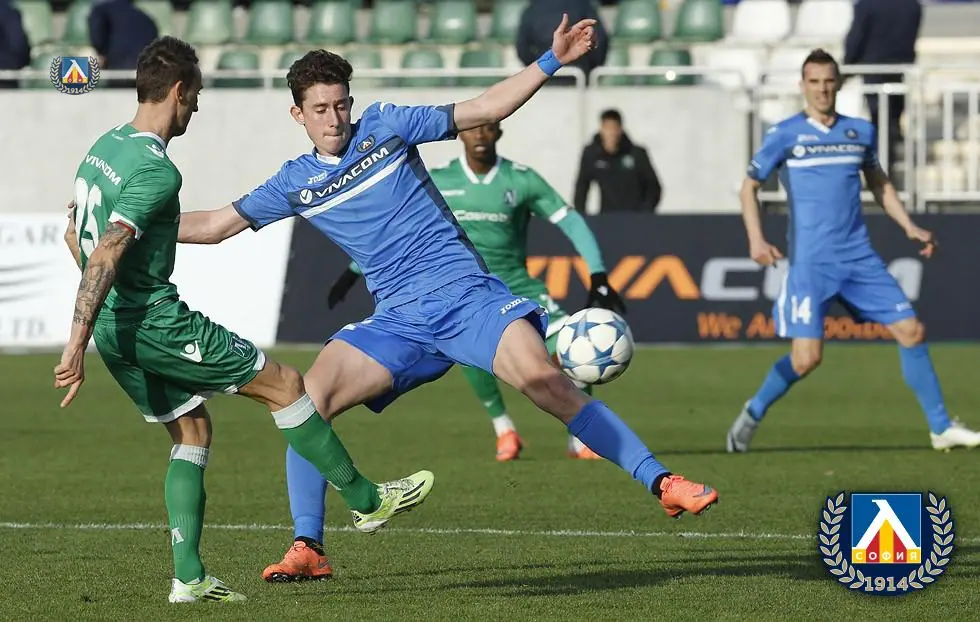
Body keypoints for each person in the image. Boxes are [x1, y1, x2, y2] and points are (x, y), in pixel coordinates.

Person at [175, 15, 719, 585]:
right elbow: (213, 226)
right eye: (320, 109)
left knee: (548, 385)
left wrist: (552, 61)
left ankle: (663, 482)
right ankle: (308, 546)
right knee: (305, 402)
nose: (334, 119)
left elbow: (482, 109)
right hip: (398, 321)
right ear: (298, 115)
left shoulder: (386, 125)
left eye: (341, 105)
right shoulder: (294, 182)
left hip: (468, 299)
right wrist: (134, 223)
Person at [54, 36, 435, 604]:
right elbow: (107, 250)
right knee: (285, 386)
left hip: (116, 328)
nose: (197, 107)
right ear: (178, 91)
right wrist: (74, 341)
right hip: (153, 322)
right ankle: (366, 500)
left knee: (192, 431)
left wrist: (94, 327)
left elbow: (76, 236)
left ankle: (189, 578)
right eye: (196, 95)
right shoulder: (157, 171)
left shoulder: (104, 147)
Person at [327, 121, 626, 465]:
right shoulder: (440, 179)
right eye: (473, 129)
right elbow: (399, 231)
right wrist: (352, 272)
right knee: (468, 352)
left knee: (573, 346)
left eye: (488, 129)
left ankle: (581, 437)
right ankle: (504, 429)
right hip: (466, 290)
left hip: (520, 288)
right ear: (460, 134)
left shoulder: (521, 179)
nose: (480, 135)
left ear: (499, 133)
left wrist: (598, 273)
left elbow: (569, 220)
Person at [727, 49, 980, 454]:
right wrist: (756, 240)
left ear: (840, 84)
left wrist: (909, 226)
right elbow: (748, 188)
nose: (822, 89)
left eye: (829, 81)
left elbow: (880, 183)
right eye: (814, 82)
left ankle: (940, 427)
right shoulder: (784, 134)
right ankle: (753, 412)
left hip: (859, 258)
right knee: (806, 359)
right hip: (810, 265)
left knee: (911, 331)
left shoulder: (859, 132)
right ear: (802, 86)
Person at [573, 109, 661, 213]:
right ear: (601, 129)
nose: (611, 133)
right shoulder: (592, 154)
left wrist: (645, 213)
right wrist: (581, 216)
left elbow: (653, 186)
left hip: (634, 216)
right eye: (607, 128)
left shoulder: (637, 154)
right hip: (607, 217)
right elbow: (582, 186)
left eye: (614, 128)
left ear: (620, 130)